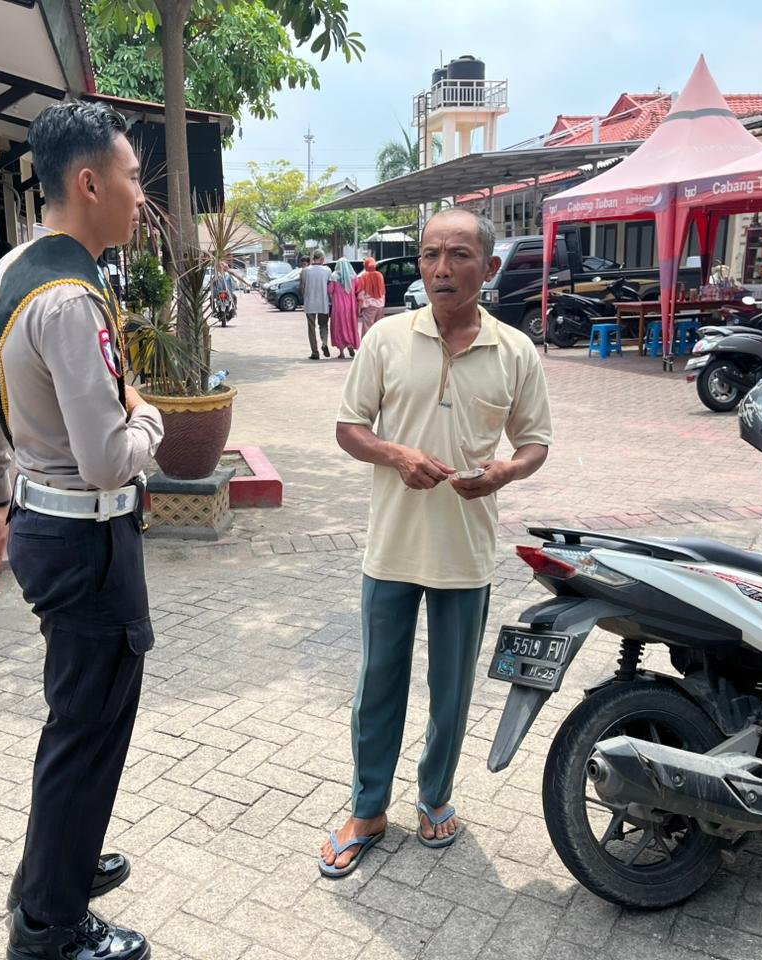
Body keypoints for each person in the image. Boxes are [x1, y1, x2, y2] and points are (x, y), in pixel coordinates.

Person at [0, 100, 161, 960]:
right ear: (89, 182)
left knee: (77, 719)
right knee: (88, 728)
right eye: (132, 177)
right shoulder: (72, 299)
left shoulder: (17, 270)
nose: (139, 195)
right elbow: (114, 457)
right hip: (88, 538)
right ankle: (50, 922)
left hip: (50, 524)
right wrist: (149, 416)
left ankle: (61, 862)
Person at [319, 208, 552, 877]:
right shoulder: (388, 339)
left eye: (457, 255)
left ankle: (436, 796)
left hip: (467, 550)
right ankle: (368, 807)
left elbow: (534, 442)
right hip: (393, 546)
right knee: (378, 682)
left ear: (491, 267)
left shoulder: (516, 352)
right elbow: (348, 426)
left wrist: (507, 469)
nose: (441, 269)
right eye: (429, 255)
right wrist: (395, 454)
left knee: (450, 688)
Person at [302, 250, 333, 360]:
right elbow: (330, 288)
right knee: (324, 325)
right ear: (321, 259)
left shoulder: (305, 271)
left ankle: (315, 352)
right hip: (323, 302)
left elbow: (302, 287)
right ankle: (324, 343)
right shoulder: (327, 270)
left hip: (310, 302)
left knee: (311, 328)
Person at [328, 257, 360, 358]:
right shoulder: (353, 276)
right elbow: (357, 289)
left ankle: (341, 352)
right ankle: (350, 344)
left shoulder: (334, 276)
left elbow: (330, 290)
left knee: (339, 327)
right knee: (350, 325)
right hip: (350, 306)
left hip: (338, 306)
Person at [355, 257, 386, 338]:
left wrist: (359, 308)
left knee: (367, 328)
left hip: (369, 306)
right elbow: (383, 291)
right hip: (380, 305)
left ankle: (366, 347)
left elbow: (361, 294)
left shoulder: (364, 276)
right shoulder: (380, 275)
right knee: (378, 327)